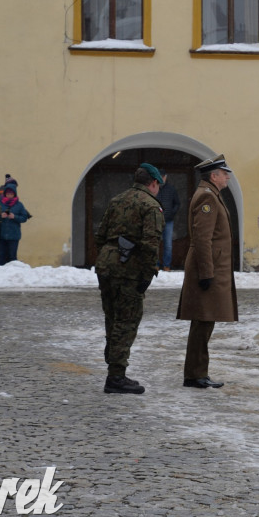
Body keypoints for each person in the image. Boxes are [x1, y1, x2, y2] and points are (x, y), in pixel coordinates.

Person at [94, 163, 164, 394]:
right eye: (158, 186)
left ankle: (114, 368)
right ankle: (116, 376)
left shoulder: (117, 200)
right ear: (153, 183)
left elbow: (101, 235)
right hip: (129, 271)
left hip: (107, 266)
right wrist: (147, 274)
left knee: (112, 318)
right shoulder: (151, 205)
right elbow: (151, 243)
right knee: (127, 321)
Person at [177, 154, 238, 387]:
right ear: (214, 176)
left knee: (205, 321)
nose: (228, 177)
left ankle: (197, 372)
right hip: (208, 268)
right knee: (203, 322)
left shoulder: (210, 194)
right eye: (224, 173)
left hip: (211, 266)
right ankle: (195, 374)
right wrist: (206, 273)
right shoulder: (207, 197)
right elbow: (202, 239)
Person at [0, 182, 30, 265]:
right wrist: (0, 216)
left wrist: (15, 217)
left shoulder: (19, 205)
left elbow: (24, 218)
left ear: (14, 194)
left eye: (11, 194)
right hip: (1, 235)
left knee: (12, 257)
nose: (9, 195)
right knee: (1, 257)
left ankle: (11, 274)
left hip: (14, 235)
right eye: (7, 193)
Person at [156, 170, 180, 271]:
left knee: (168, 244)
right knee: (155, 243)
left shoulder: (171, 189)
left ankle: (166, 265)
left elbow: (177, 203)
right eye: (160, 176)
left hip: (168, 221)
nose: (161, 178)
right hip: (156, 220)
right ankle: (155, 265)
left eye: (163, 176)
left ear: (166, 177)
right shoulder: (154, 188)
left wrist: (172, 213)